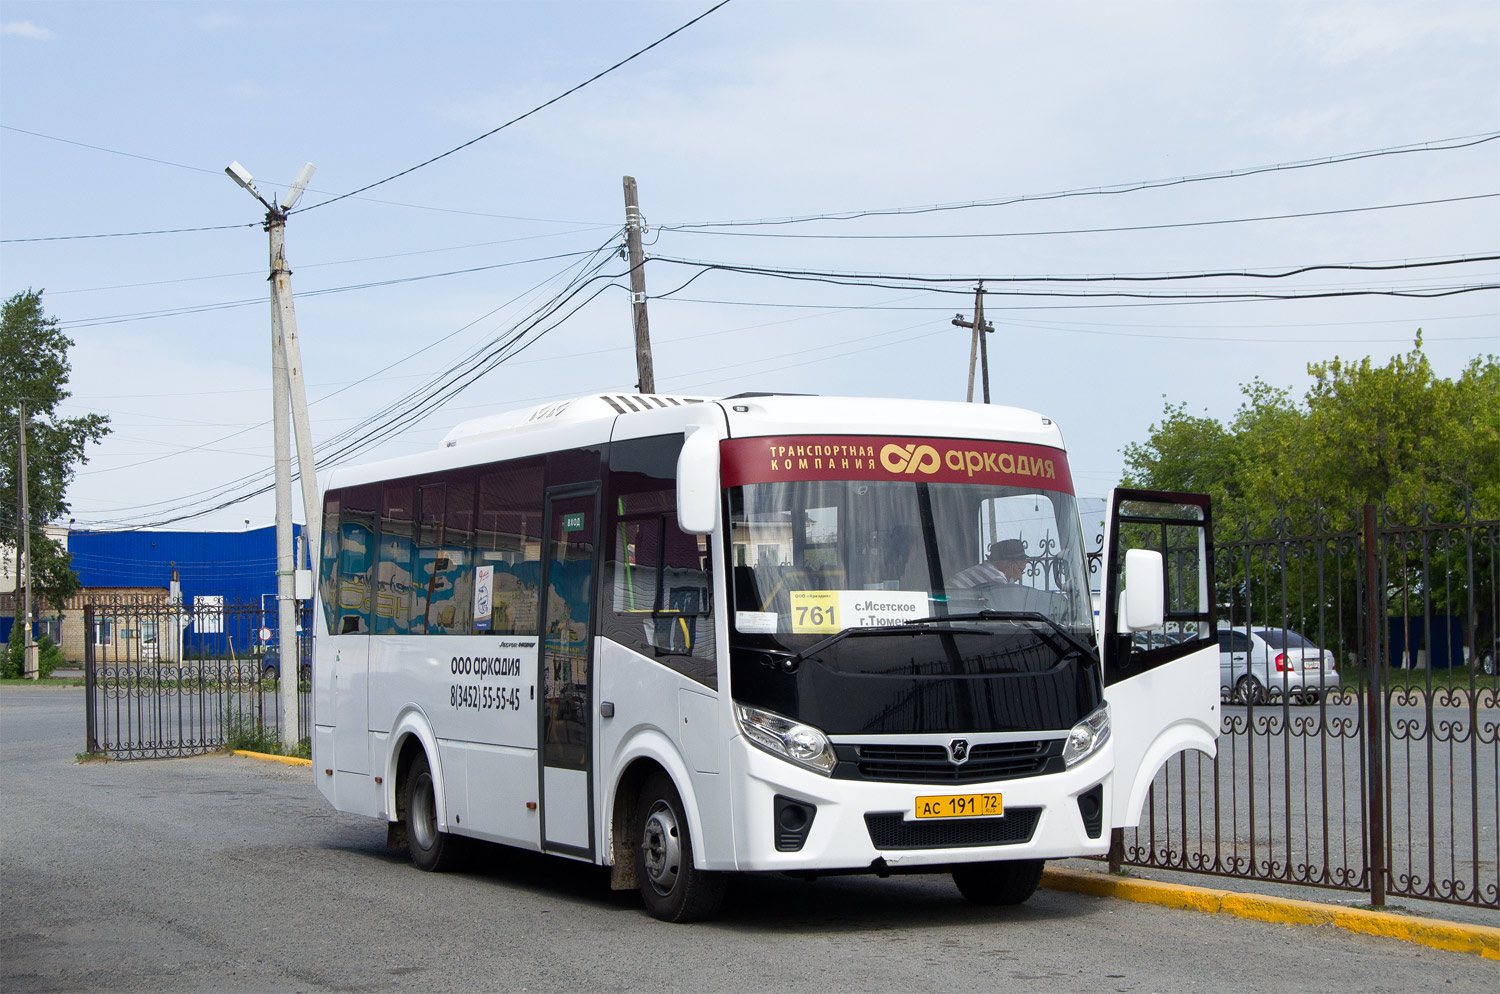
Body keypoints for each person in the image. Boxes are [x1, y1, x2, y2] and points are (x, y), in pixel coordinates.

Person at [950, 538, 1028, 590]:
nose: (1020, 577)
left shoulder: (983, 569)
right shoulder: (997, 579)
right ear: (1009, 563)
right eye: (1021, 570)